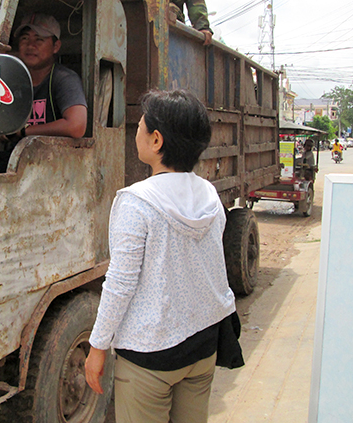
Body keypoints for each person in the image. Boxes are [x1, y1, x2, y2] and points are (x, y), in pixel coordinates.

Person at [84, 89, 242, 423]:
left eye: (140, 126)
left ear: (156, 140)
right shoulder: (210, 196)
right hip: (203, 344)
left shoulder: (136, 201)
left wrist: (97, 346)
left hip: (150, 356)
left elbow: (121, 283)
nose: (136, 132)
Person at [13, 13, 87, 138]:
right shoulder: (14, 80)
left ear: (56, 46)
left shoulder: (64, 79)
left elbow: (76, 126)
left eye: (39, 39)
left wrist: (24, 132)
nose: (30, 45)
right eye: (25, 38)